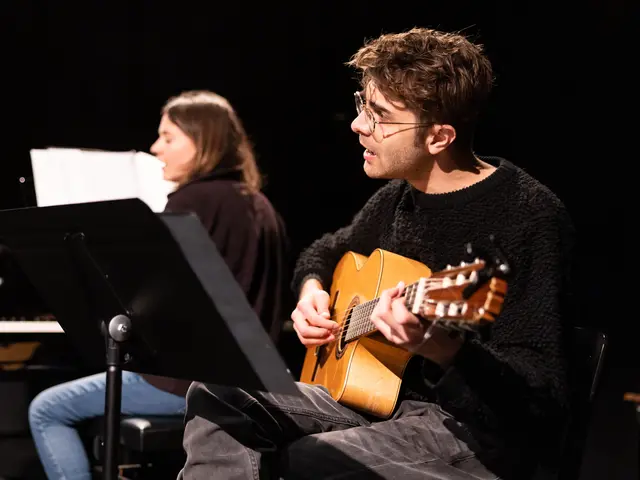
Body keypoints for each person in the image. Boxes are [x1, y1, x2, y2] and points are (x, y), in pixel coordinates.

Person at [179, 28, 576, 479]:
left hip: (477, 435)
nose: (358, 124)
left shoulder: (527, 216)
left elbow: (542, 397)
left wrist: (444, 351)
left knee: (312, 457)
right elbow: (324, 252)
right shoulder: (395, 199)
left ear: (439, 138)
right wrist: (312, 293)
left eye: (380, 115)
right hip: (381, 405)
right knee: (217, 391)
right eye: (362, 104)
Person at [28, 90, 290, 480]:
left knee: (46, 409)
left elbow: (153, 304)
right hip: (251, 385)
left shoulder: (191, 202)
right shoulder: (261, 205)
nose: (155, 148)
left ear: (203, 140)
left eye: (168, 137)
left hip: (188, 384)